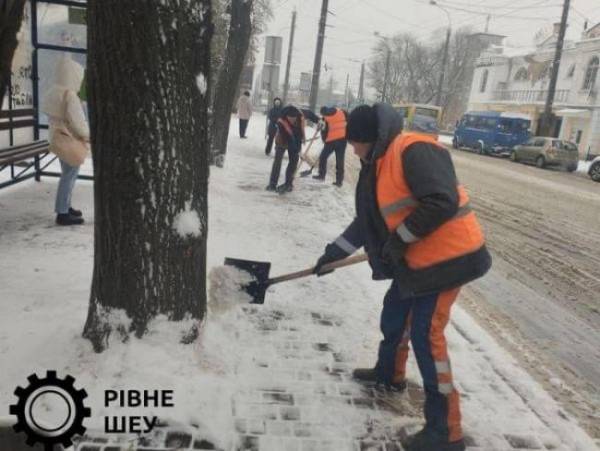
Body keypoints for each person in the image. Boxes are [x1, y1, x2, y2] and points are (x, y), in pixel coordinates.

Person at [313, 103, 492, 451]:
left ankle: (446, 430)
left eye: (355, 143)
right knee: (394, 312)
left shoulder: (414, 149)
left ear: (369, 139)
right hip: (419, 260)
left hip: (450, 259)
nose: (352, 149)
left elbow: (442, 200)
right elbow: (368, 222)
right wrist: (334, 253)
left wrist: (399, 240)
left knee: (427, 336)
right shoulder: (375, 163)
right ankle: (389, 373)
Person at [41, 55, 89, 226]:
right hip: (69, 139)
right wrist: (87, 135)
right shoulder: (70, 95)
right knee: (69, 175)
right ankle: (62, 212)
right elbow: (77, 122)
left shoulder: (53, 92)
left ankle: (66, 206)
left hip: (57, 137)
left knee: (66, 174)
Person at [266, 105, 305, 194]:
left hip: (295, 138)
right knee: (277, 161)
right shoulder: (281, 121)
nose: (293, 120)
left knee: (294, 160)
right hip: (282, 139)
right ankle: (272, 184)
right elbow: (287, 137)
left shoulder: (299, 117)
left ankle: (288, 183)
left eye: (294, 118)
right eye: (290, 118)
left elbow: (299, 135)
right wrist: (295, 148)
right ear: (286, 116)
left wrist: (297, 150)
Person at [313, 106, 347, 187]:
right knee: (340, 161)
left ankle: (321, 175)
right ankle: (339, 181)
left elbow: (324, 131)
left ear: (323, 113)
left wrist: (324, 139)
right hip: (343, 140)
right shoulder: (341, 112)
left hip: (332, 141)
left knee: (323, 157)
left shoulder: (325, 119)